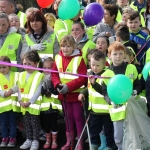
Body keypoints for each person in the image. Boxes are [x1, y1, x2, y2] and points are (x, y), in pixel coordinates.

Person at [102, 41, 141, 150]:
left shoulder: (131, 68)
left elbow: (138, 84)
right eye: (115, 54)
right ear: (109, 56)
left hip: (132, 109)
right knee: (118, 138)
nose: (118, 56)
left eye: (120, 53)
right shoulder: (106, 74)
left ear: (124, 54)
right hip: (117, 111)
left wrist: (135, 91)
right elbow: (104, 93)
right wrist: (110, 101)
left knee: (133, 136)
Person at [51, 35, 87, 150]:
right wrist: (57, 84)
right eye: (63, 46)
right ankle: (69, 142)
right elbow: (54, 73)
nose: (65, 49)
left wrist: (68, 86)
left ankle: (80, 143)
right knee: (68, 118)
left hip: (76, 95)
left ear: (73, 47)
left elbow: (83, 78)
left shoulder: (79, 59)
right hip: (63, 94)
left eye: (68, 46)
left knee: (78, 117)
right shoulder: (57, 58)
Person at [78, 50, 116, 150]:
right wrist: (83, 92)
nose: (94, 68)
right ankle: (94, 145)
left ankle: (110, 145)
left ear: (104, 65)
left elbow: (104, 91)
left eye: (97, 65)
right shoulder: (90, 73)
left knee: (108, 131)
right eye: (92, 64)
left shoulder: (108, 74)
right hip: (94, 110)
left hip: (106, 111)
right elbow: (89, 87)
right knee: (94, 130)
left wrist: (94, 83)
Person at [19, 51, 44, 150]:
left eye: (29, 64)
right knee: (27, 123)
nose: (27, 66)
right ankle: (29, 140)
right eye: (25, 63)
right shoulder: (21, 75)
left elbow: (38, 91)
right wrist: (20, 100)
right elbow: (20, 89)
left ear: (36, 64)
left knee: (35, 123)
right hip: (24, 104)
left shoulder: (39, 75)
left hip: (33, 105)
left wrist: (30, 102)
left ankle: (35, 140)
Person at [40, 57, 62, 149]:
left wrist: (51, 88)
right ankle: (48, 139)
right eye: (45, 68)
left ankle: (54, 140)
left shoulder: (56, 77)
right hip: (43, 106)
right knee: (46, 124)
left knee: (53, 123)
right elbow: (38, 91)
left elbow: (57, 91)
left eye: (50, 67)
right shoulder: (39, 77)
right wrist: (44, 90)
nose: (48, 70)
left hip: (53, 105)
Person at [0, 56, 19, 148]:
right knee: (3, 123)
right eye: (0, 67)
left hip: (13, 105)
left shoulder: (15, 75)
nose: (2, 69)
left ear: (10, 66)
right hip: (2, 106)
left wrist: (11, 90)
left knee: (12, 122)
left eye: (4, 67)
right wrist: (4, 93)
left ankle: (12, 137)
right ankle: (4, 137)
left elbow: (18, 84)